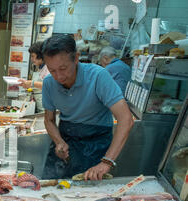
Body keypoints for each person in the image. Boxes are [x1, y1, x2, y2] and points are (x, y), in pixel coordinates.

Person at [40, 34, 134, 181]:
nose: (58, 76)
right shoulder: (48, 83)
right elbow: (49, 120)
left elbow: (126, 119)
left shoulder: (98, 76)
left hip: (96, 144)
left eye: (63, 68)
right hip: (66, 139)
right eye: (52, 70)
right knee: (53, 188)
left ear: (76, 58)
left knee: (90, 195)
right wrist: (58, 141)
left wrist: (107, 161)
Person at [18, 41, 50, 112]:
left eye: (33, 56)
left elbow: (49, 85)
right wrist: (27, 84)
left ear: (40, 55)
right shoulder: (40, 67)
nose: (31, 59)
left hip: (47, 108)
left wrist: (31, 83)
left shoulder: (49, 68)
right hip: (40, 106)